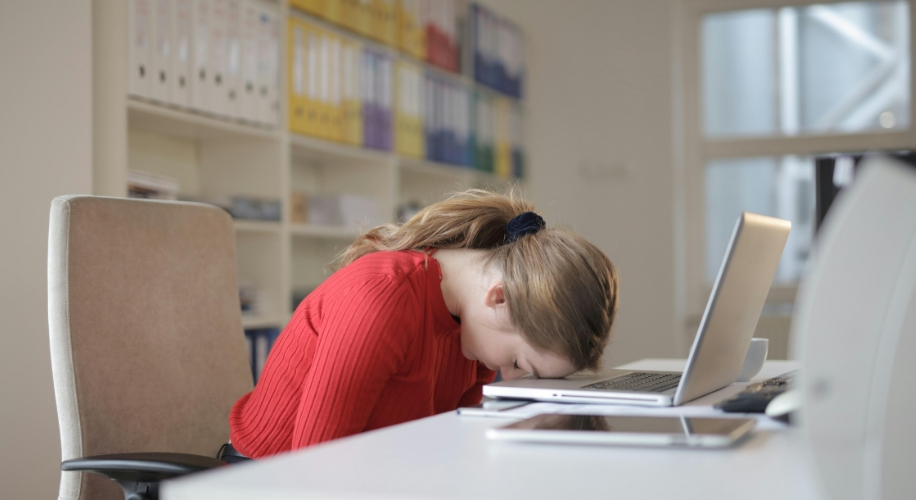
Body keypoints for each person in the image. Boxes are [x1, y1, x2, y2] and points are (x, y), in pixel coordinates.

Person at [228, 189, 619, 458]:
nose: (511, 379)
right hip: (267, 478)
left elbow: (447, 447)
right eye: (520, 365)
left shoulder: (475, 330)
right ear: (499, 298)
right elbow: (316, 468)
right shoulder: (382, 297)